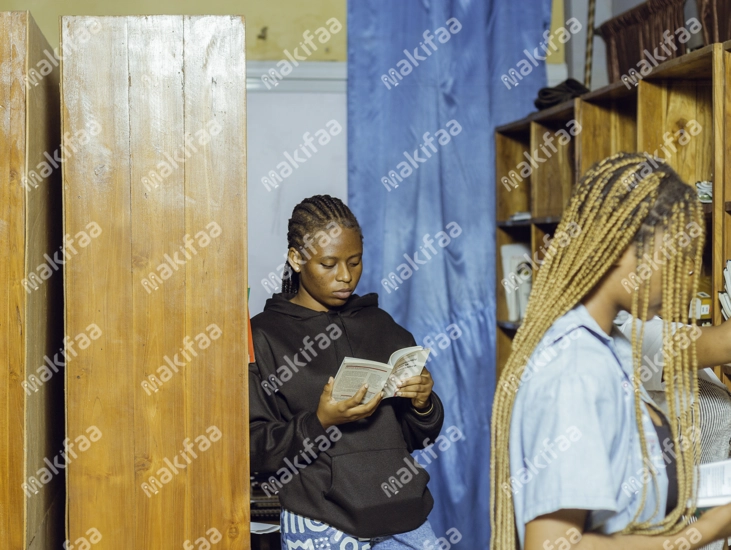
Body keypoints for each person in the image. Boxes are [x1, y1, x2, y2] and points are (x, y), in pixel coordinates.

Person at [490, 152, 731, 550]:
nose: (681, 278)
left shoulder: (610, 347)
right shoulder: (575, 366)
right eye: (673, 255)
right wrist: (702, 533)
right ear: (622, 246)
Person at [249, 195, 445, 549]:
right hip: (322, 521)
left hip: (406, 517)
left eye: (355, 262)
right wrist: (319, 421)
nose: (345, 276)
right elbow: (254, 449)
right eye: (329, 264)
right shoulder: (263, 335)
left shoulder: (383, 326)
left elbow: (417, 437)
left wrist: (423, 403)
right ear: (296, 258)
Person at [616, 313, 731, 550]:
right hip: (676, 536)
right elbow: (724, 342)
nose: (689, 273)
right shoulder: (630, 334)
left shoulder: (658, 324)